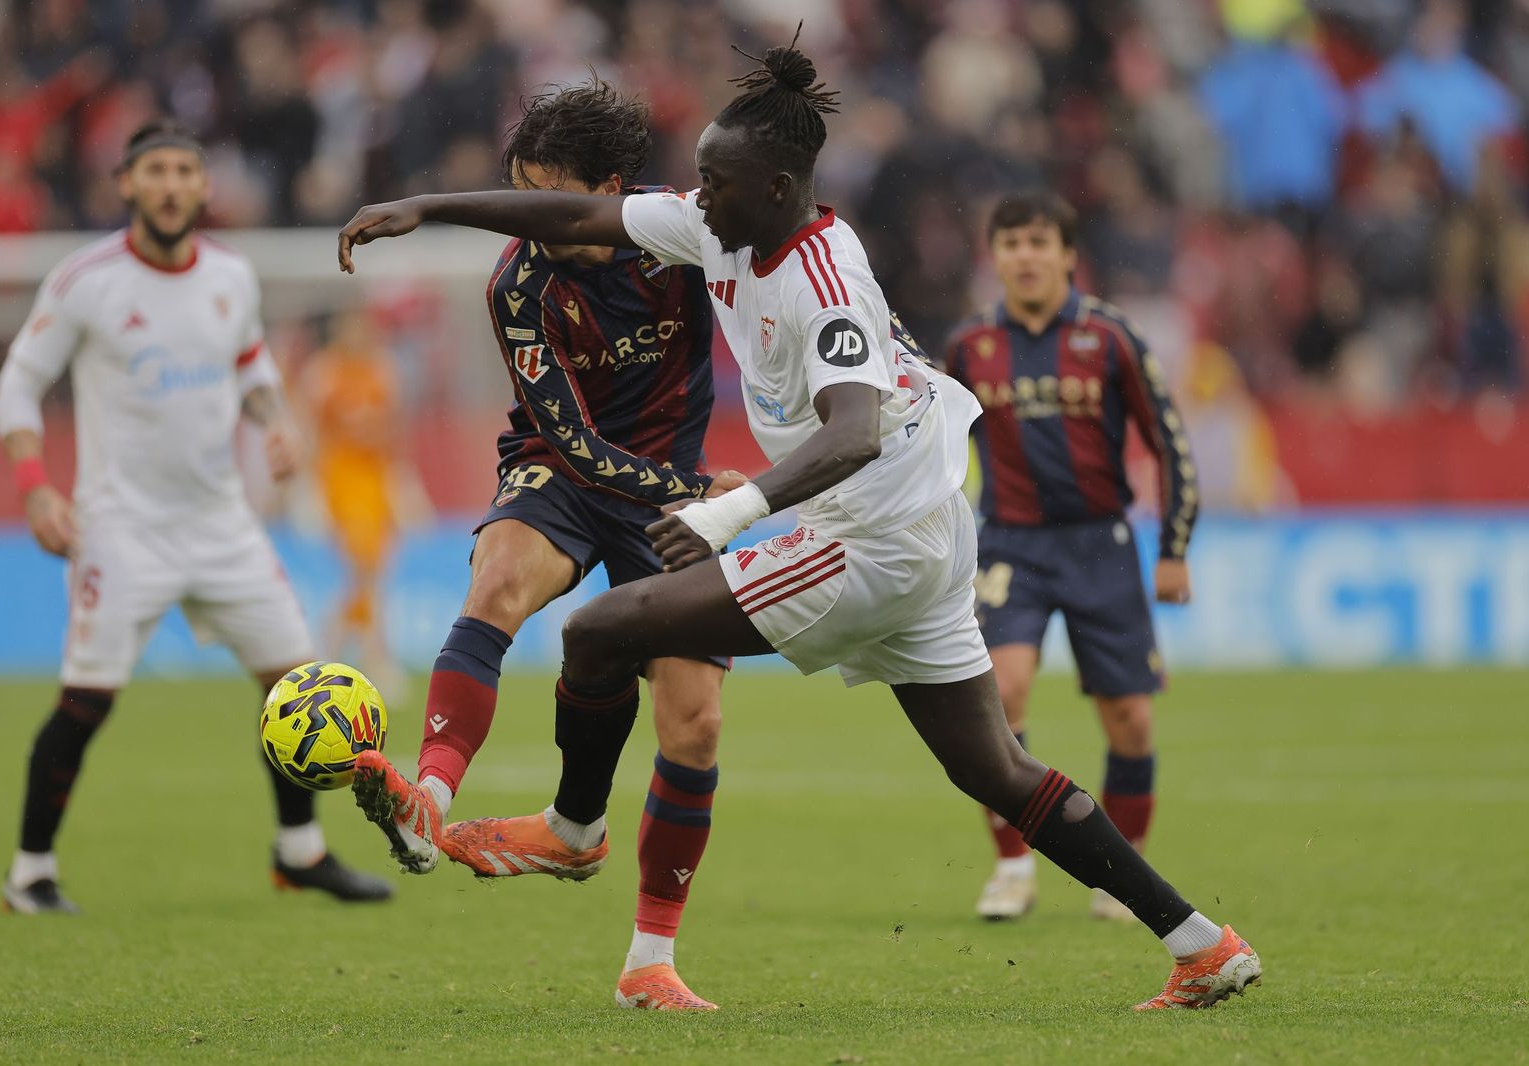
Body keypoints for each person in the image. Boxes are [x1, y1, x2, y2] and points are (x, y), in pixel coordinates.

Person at [338, 38, 1261, 1011]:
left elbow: (853, 430)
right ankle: (1201, 942)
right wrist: (424, 210)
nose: (692, 195)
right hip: (920, 532)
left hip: (867, 542)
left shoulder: (823, 282)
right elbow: (579, 211)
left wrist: (728, 510)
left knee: (601, 628)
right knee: (994, 766)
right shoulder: (723, 225)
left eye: (712, 181)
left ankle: (573, 832)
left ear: (776, 186)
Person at [345, 81, 737, 1010]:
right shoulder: (519, 283)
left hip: (668, 489)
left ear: (607, 188)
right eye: (517, 194)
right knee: (499, 583)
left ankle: (650, 962)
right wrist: (703, 492)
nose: (531, 220)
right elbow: (574, 446)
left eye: (547, 198)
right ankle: (427, 802)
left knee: (697, 721)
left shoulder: (682, 245)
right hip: (566, 472)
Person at [0, 120, 390, 913]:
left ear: (204, 187)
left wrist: (275, 417)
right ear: (127, 185)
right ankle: (29, 873)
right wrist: (36, 486)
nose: (171, 185)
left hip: (222, 523)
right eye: (155, 171)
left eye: (184, 171)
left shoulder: (231, 276)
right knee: (87, 702)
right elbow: (17, 383)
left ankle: (299, 851)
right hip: (120, 528)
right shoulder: (86, 280)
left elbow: (251, 363)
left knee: (294, 685)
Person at [941, 191, 1198, 922]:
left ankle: (1119, 873)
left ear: (1066, 255)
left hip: (1100, 543)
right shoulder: (967, 347)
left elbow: (1168, 439)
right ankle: (1014, 866)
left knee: (1131, 722)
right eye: (1011, 243)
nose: (1024, 256)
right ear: (994, 258)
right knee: (1003, 695)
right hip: (1009, 544)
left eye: (1037, 242)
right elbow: (930, 450)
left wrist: (1174, 546)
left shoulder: (1111, 336)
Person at [301, 310, 409, 688]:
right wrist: (308, 489)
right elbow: (311, 432)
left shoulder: (381, 371)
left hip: (375, 479)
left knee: (372, 571)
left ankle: (328, 651)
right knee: (364, 568)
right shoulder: (325, 373)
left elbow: (392, 431)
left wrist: (403, 485)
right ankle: (372, 658)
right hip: (340, 479)